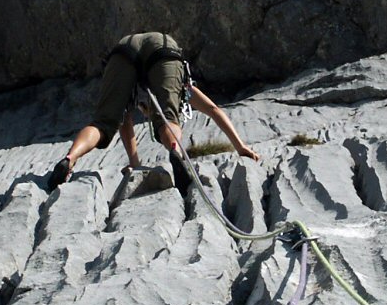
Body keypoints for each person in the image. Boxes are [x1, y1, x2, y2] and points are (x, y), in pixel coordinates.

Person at [49, 31, 260, 189]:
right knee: (168, 118)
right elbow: (213, 109)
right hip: (163, 46)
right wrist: (240, 146)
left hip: (124, 48)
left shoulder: (136, 93)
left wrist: (135, 163)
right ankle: (176, 152)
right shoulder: (182, 89)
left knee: (102, 123)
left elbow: (125, 121)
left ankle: (70, 159)